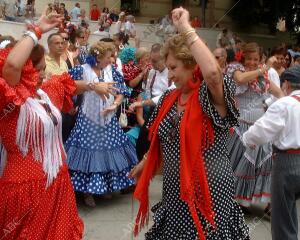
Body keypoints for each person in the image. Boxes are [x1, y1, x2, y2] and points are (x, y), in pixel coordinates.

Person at [130, 7, 250, 240]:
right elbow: (162, 139)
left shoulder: (209, 95)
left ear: (191, 63)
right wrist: (146, 162)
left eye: (174, 68)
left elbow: (213, 75)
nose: (170, 75)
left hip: (211, 189)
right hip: (176, 190)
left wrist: (185, 27)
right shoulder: (168, 98)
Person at [0, 12, 116, 240]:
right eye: (38, 69)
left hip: (57, 182)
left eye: (44, 68)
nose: (44, 74)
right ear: (25, 71)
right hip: (26, 188)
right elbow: (12, 64)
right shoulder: (10, 100)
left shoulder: (44, 93)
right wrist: (37, 31)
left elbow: (69, 85)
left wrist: (94, 86)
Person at [65, 41, 137, 207]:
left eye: (112, 56)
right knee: (89, 153)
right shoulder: (82, 70)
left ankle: (104, 188)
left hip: (108, 121)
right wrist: (70, 105)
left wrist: (114, 105)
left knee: (107, 152)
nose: (111, 60)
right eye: (108, 57)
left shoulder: (111, 70)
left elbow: (122, 91)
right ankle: (87, 192)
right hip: (88, 119)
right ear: (97, 57)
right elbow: (67, 86)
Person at [243, 65, 300, 240]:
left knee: (282, 217)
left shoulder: (285, 104)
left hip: (288, 163)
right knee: (289, 212)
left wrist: (247, 139)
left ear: (287, 84)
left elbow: (261, 130)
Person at [226, 42, 284, 214]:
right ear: (242, 58)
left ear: (260, 59)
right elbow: (240, 79)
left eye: (255, 59)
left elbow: (279, 93)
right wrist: (263, 68)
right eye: (249, 59)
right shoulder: (235, 69)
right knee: (238, 165)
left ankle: (249, 202)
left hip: (258, 128)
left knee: (261, 165)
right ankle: (232, 202)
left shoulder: (262, 78)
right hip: (240, 126)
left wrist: (277, 111)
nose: (251, 62)